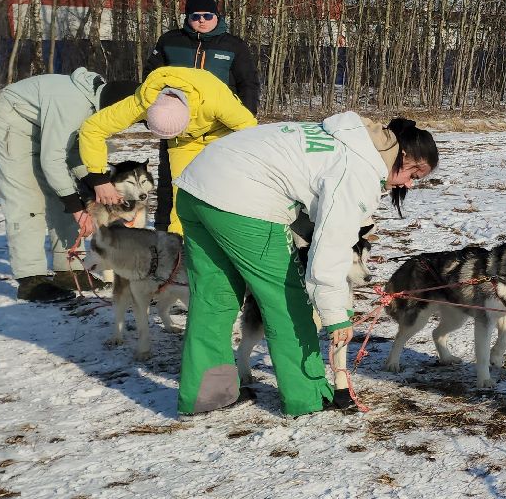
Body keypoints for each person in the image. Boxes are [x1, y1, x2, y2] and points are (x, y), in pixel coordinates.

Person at [172, 113, 437, 417]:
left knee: (213, 297)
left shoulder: (346, 138)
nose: (410, 185)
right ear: (403, 155)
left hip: (197, 185)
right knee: (287, 301)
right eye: (414, 175)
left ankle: (207, 393)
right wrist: (337, 315)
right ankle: (307, 397)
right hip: (246, 199)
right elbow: (331, 249)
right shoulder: (359, 171)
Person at [0, 68, 139, 301]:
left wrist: (96, 182)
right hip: (14, 123)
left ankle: (68, 269)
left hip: (43, 128)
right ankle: (30, 278)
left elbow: (75, 152)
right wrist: (76, 208)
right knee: (27, 198)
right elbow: (52, 160)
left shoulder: (93, 109)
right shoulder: (73, 106)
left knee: (65, 192)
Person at [77, 65, 257, 234]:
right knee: (183, 199)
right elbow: (93, 128)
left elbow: (249, 130)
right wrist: (99, 179)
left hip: (221, 134)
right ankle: (179, 249)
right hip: (182, 142)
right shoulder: (143, 101)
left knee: (221, 194)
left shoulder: (214, 99)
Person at [144, 0, 261, 231]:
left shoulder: (233, 45)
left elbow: (248, 83)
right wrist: (152, 114)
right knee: (172, 184)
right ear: (187, 17)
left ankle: (219, 231)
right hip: (178, 126)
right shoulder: (170, 41)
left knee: (219, 182)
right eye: (195, 16)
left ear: (217, 16)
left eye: (207, 15)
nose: (202, 20)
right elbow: (150, 80)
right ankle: (168, 238)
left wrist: (245, 121)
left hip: (221, 130)